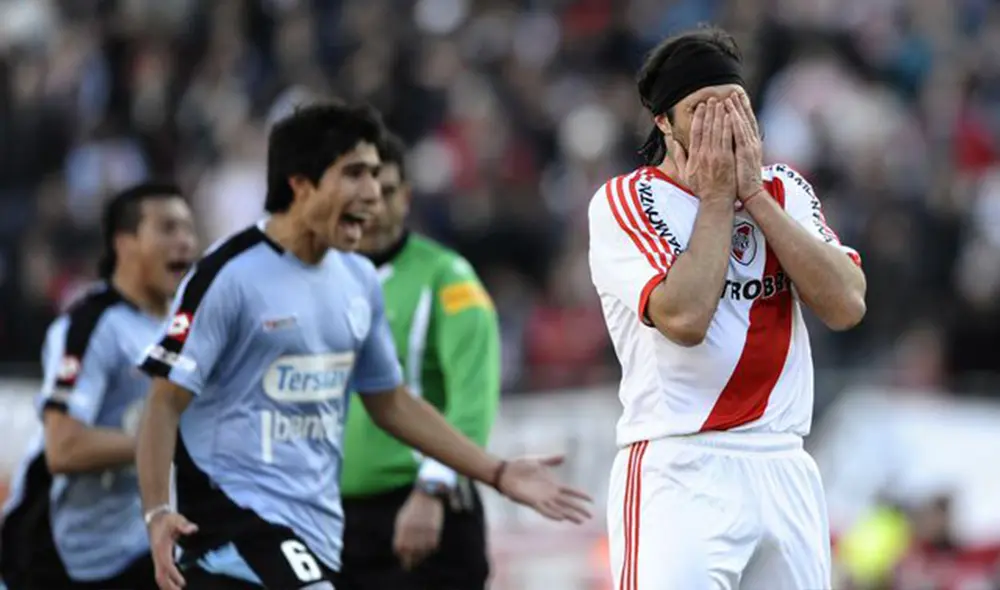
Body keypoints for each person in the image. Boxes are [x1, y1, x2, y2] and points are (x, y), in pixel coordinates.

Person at [135, 102, 591, 590]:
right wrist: (158, 511)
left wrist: (497, 472)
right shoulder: (227, 275)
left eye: (376, 176)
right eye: (355, 175)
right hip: (234, 529)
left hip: (321, 535)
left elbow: (390, 401)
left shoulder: (357, 280)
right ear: (300, 183)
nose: (373, 195)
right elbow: (164, 403)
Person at [588, 27, 867, 590]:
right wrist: (718, 199)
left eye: (734, 105)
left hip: (784, 461)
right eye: (702, 109)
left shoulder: (783, 189)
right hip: (682, 466)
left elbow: (846, 304)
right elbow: (685, 319)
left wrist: (755, 198)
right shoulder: (625, 200)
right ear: (664, 122)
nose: (724, 124)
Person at [0, 183, 198, 590]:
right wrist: (162, 445)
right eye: (167, 228)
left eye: (188, 230)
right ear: (124, 244)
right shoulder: (92, 326)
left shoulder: (185, 328)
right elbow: (64, 447)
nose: (184, 242)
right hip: (61, 553)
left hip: (138, 544)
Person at [337, 132, 500, 590]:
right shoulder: (320, 280)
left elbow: (474, 398)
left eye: (385, 192)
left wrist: (433, 489)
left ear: (405, 197)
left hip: (422, 509)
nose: (371, 204)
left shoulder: (448, 279)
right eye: (359, 192)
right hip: (336, 518)